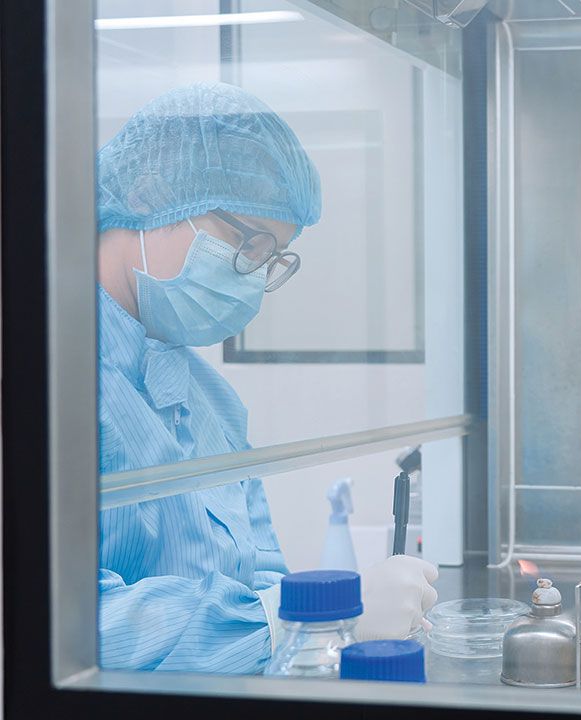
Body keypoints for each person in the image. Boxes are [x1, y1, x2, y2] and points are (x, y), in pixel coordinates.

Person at [95, 82, 438, 673]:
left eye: (270, 257)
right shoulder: (44, 380)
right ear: (149, 192)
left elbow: (258, 574)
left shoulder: (212, 401)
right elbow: (62, 621)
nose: (251, 276)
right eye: (245, 241)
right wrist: (311, 617)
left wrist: (312, 621)